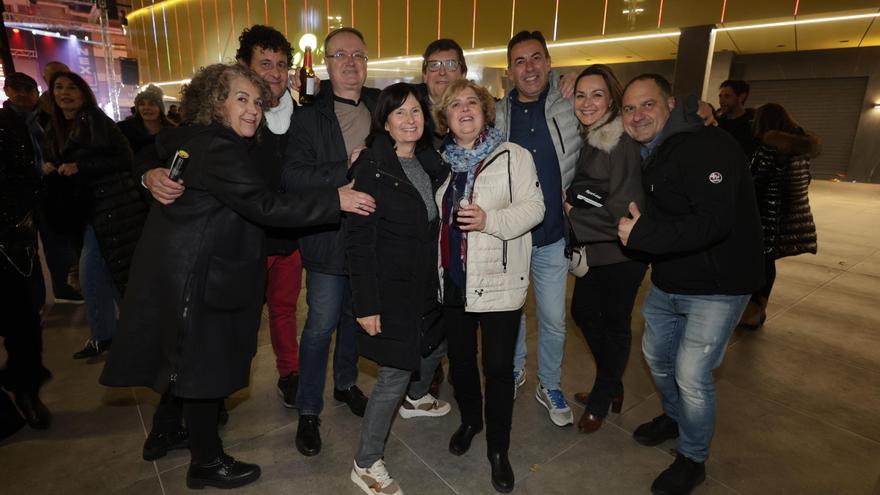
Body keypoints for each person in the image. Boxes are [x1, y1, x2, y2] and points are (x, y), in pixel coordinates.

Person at [99, 63, 373, 490]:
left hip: (187, 268)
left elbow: (162, 152)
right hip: (201, 274)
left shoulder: (196, 138)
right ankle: (206, 461)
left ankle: (176, 431)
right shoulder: (219, 147)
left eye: (257, 103)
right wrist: (333, 199)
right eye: (240, 99)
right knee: (203, 369)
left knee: (187, 362)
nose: (253, 111)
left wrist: (148, 173)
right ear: (215, 102)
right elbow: (265, 206)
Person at [139, 25, 309, 409]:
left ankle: (290, 375)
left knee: (283, 313)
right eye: (264, 63)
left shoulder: (306, 114)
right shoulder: (232, 115)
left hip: (290, 237)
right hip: (239, 242)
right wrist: (148, 174)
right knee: (234, 324)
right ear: (244, 67)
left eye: (282, 64)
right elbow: (165, 145)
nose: (275, 72)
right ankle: (207, 401)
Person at [617, 74, 764, 495]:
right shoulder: (657, 149)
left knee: (693, 373)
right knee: (658, 358)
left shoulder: (708, 145)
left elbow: (714, 221)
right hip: (672, 278)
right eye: (629, 108)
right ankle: (676, 416)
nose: (637, 115)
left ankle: (693, 457)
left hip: (719, 285)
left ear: (671, 105)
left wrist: (643, 237)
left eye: (647, 105)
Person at [435, 79, 545, 493]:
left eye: (471, 103)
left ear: (485, 111)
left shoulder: (513, 156)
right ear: (445, 119)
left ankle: (499, 448)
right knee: (461, 363)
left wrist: (490, 221)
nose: (464, 109)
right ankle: (470, 420)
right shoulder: (440, 163)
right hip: (453, 282)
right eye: (454, 105)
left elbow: (536, 208)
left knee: (498, 369)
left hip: (499, 283)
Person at [345, 82, 452, 495]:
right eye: (400, 113)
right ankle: (366, 462)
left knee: (436, 345)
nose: (410, 120)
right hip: (390, 290)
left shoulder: (430, 163)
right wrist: (366, 305)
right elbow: (358, 242)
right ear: (386, 123)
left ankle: (418, 398)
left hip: (428, 283)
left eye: (416, 112)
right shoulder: (372, 168)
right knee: (392, 374)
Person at [284, 27, 377, 457]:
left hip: (369, 238)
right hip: (326, 237)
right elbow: (293, 178)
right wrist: (345, 166)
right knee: (320, 325)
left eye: (358, 54)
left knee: (356, 319)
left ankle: (344, 385)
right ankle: (308, 410)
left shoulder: (380, 107)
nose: (351, 62)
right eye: (341, 55)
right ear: (326, 63)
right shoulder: (307, 116)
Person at [494, 30, 582, 427]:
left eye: (536, 59)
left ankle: (549, 383)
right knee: (511, 313)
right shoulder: (497, 113)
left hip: (552, 236)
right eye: (519, 61)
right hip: (512, 238)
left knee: (552, 317)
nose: (528, 68)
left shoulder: (569, 103)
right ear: (509, 70)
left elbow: (614, 104)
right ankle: (515, 370)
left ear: (548, 63)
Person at [564, 65, 647, 434]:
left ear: (611, 98)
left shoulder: (619, 143)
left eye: (596, 94)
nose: (587, 102)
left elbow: (624, 210)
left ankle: (602, 396)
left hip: (621, 253)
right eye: (581, 95)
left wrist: (572, 215)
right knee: (583, 312)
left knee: (615, 325)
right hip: (596, 251)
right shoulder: (592, 136)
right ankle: (612, 383)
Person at [42, 71, 148, 359]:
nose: (65, 93)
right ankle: (111, 335)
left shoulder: (94, 119)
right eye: (59, 88)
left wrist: (80, 165)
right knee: (105, 274)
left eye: (71, 88)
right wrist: (50, 166)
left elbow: (123, 158)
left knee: (99, 273)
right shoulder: (57, 126)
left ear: (83, 93)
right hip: (87, 210)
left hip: (113, 208)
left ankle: (122, 335)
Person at [0, 72, 53, 438]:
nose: (22, 96)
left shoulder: (36, 126)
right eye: (16, 90)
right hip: (10, 230)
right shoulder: (10, 126)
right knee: (20, 320)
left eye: (28, 90)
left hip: (18, 233)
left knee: (24, 320)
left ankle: (26, 389)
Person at [741, 103, 819, 329]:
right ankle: (759, 309)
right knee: (767, 262)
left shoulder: (769, 147)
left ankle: (753, 311)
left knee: (759, 264)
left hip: (765, 213)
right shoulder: (801, 148)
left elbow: (754, 182)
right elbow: (806, 180)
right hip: (789, 212)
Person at [118, 84, 176, 154]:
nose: (146, 108)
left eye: (151, 104)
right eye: (142, 104)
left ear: (160, 109)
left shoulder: (171, 131)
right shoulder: (126, 130)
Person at [716, 80, 755, 156]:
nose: (721, 101)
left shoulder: (750, 125)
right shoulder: (717, 123)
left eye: (727, 96)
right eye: (720, 96)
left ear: (741, 97)